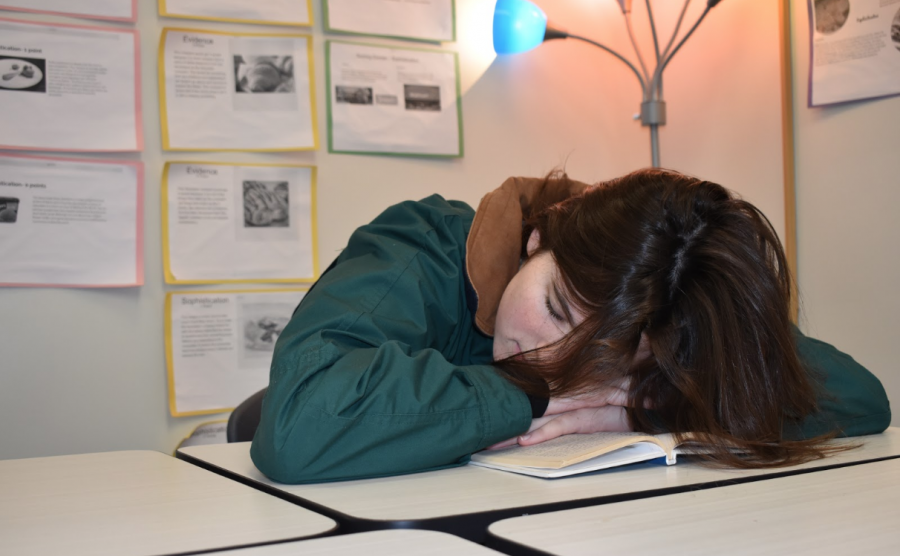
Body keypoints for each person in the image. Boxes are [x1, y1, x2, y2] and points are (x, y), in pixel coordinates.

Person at [250, 169, 890, 483]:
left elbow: (861, 398)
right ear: (537, 238)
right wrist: (539, 393)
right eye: (555, 306)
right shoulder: (422, 243)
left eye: (598, 352)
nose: (551, 354)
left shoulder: (658, 294)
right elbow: (301, 421)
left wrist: (649, 405)